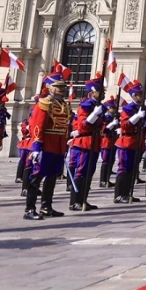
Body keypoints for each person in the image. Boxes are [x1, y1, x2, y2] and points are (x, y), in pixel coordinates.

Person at [25, 70, 72, 220]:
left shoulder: (63, 104)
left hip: (58, 145)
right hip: (46, 145)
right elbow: (37, 126)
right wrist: (36, 148)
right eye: (58, 87)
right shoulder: (44, 104)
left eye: (63, 87)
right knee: (36, 177)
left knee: (52, 177)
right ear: (50, 87)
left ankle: (46, 206)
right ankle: (30, 209)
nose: (62, 89)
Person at [67, 74, 105, 211]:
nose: (103, 93)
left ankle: (83, 200)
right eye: (100, 91)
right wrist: (93, 115)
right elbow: (82, 126)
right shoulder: (86, 106)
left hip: (94, 142)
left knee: (89, 173)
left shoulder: (98, 105)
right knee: (81, 172)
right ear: (92, 93)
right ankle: (75, 201)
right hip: (85, 142)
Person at [114, 82, 146, 203]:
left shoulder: (141, 108)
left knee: (132, 169)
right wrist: (136, 117)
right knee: (124, 168)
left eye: (142, 94)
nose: (141, 97)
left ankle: (127, 193)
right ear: (133, 95)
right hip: (127, 142)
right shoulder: (128, 108)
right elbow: (125, 125)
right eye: (138, 94)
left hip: (137, 142)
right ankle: (119, 195)